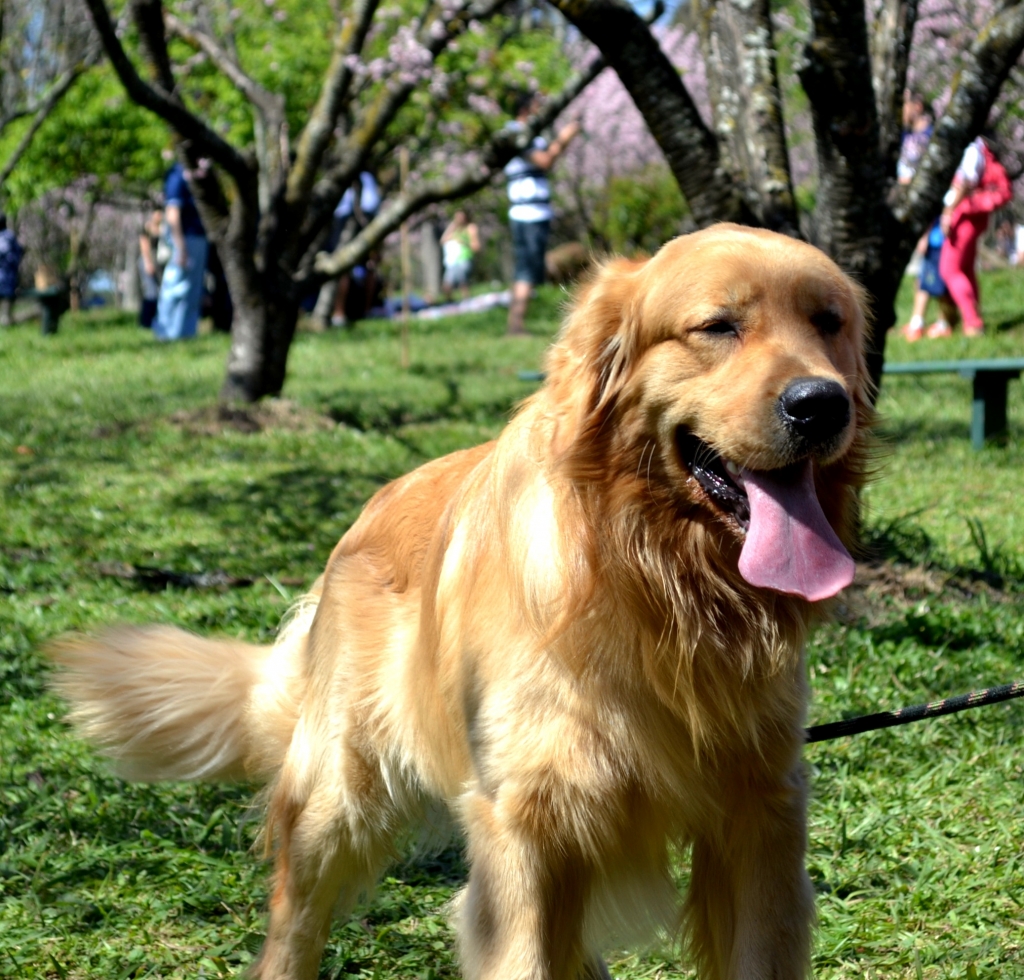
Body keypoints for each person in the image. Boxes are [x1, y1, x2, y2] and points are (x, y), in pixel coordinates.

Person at [504, 96, 579, 335]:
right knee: (526, 269)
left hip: (533, 212)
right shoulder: (516, 133)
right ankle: (515, 325)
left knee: (529, 268)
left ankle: (517, 323)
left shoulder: (526, 135)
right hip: (529, 213)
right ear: (526, 109)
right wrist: (564, 138)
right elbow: (544, 160)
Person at [937, 135, 1013, 337]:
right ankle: (974, 317)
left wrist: (948, 213)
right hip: (975, 215)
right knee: (965, 268)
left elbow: (965, 181)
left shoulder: (971, 148)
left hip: (965, 215)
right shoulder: (980, 148)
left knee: (950, 270)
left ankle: (972, 322)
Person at [314, 172, 380, 328]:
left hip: (351, 222)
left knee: (359, 265)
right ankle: (345, 312)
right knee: (350, 266)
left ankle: (348, 312)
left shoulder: (359, 177)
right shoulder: (359, 176)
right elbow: (373, 203)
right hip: (356, 222)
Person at [154, 160, 209, 341]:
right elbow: (172, 212)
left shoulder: (197, 172)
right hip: (185, 238)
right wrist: (180, 247)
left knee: (192, 291)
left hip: (197, 237)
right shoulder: (177, 174)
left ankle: (186, 334)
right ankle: (165, 334)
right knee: (176, 287)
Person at [902, 219, 958, 341]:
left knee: (943, 286)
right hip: (934, 245)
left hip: (944, 245)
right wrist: (924, 237)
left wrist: (925, 237)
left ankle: (943, 324)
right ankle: (917, 323)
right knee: (923, 283)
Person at [441, 210, 480, 301]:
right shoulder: (455, 229)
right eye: (456, 217)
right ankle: (449, 302)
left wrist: (463, 242)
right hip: (452, 260)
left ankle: (466, 301)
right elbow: (442, 240)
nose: (459, 219)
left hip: (464, 258)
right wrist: (452, 226)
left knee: (463, 281)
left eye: (461, 217)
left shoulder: (470, 228)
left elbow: (476, 246)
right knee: (447, 283)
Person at [138, 208, 165, 328]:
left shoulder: (163, 228)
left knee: (159, 292)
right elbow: (144, 245)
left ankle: (156, 321)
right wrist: (147, 262)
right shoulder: (148, 227)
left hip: (159, 263)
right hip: (147, 261)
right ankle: (145, 322)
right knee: (151, 292)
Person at [897, 93, 933, 185]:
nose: (902, 111)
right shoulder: (904, 132)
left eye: (906, 106)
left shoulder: (930, 134)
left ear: (918, 106)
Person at [0, 214, 24, 328]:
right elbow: (19, 253)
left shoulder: (7, 237)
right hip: (8, 276)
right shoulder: (10, 236)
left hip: (6, 276)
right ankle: (6, 321)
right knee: (7, 301)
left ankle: (6, 322)